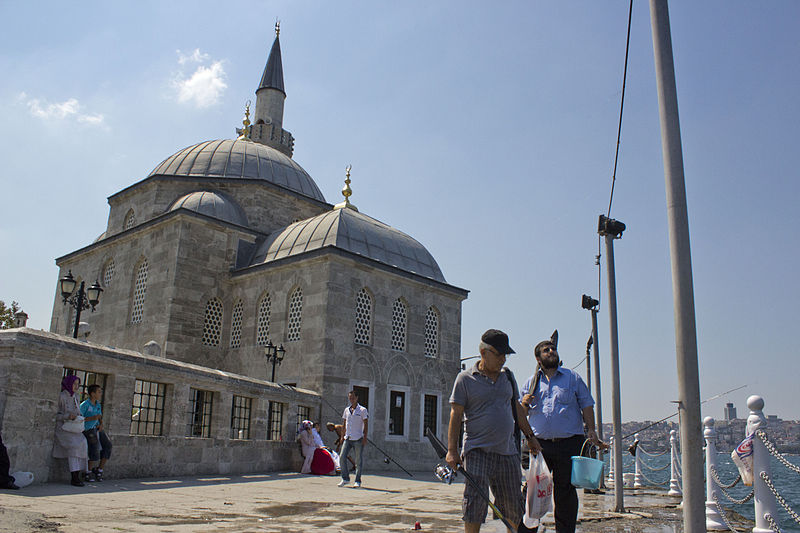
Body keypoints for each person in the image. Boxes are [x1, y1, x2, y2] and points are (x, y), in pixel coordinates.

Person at [447, 329, 540, 533]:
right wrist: (452, 450)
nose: (503, 360)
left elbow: (516, 409)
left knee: (513, 505)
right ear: (483, 352)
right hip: (477, 450)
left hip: (507, 452)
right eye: (499, 355)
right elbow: (456, 415)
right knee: (475, 503)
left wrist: (530, 437)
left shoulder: (508, 377)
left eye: (505, 355)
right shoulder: (465, 379)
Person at [519, 332, 605, 533]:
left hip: (568, 444)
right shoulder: (530, 383)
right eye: (546, 350)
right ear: (538, 359)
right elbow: (521, 415)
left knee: (565, 493)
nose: (551, 351)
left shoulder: (572, 378)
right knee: (533, 491)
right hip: (539, 445)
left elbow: (587, 405)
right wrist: (524, 403)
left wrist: (591, 430)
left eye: (553, 349)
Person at [53, 375, 89, 487]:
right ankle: (74, 476)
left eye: (78, 384)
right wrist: (67, 416)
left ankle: (82, 472)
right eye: (74, 384)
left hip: (74, 427)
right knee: (74, 446)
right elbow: (56, 414)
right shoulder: (62, 396)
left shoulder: (76, 397)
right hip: (63, 427)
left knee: (83, 442)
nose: (76, 386)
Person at [79, 384, 112, 481]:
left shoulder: (97, 404)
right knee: (94, 448)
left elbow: (99, 416)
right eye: (99, 392)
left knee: (107, 445)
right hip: (88, 429)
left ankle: (99, 469)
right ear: (92, 394)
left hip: (96, 428)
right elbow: (80, 418)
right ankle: (87, 471)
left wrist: (101, 424)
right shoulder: (85, 405)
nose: (100, 394)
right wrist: (92, 418)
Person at [337, 390, 368, 488]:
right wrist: (342, 436)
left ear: (357, 398)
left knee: (358, 460)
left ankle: (357, 480)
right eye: (350, 398)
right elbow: (344, 423)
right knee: (342, 457)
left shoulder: (362, 410)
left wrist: (365, 437)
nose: (351, 399)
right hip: (348, 437)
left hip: (358, 438)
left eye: (353, 398)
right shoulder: (347, 410)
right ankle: (345, 478)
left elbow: (366, 424)